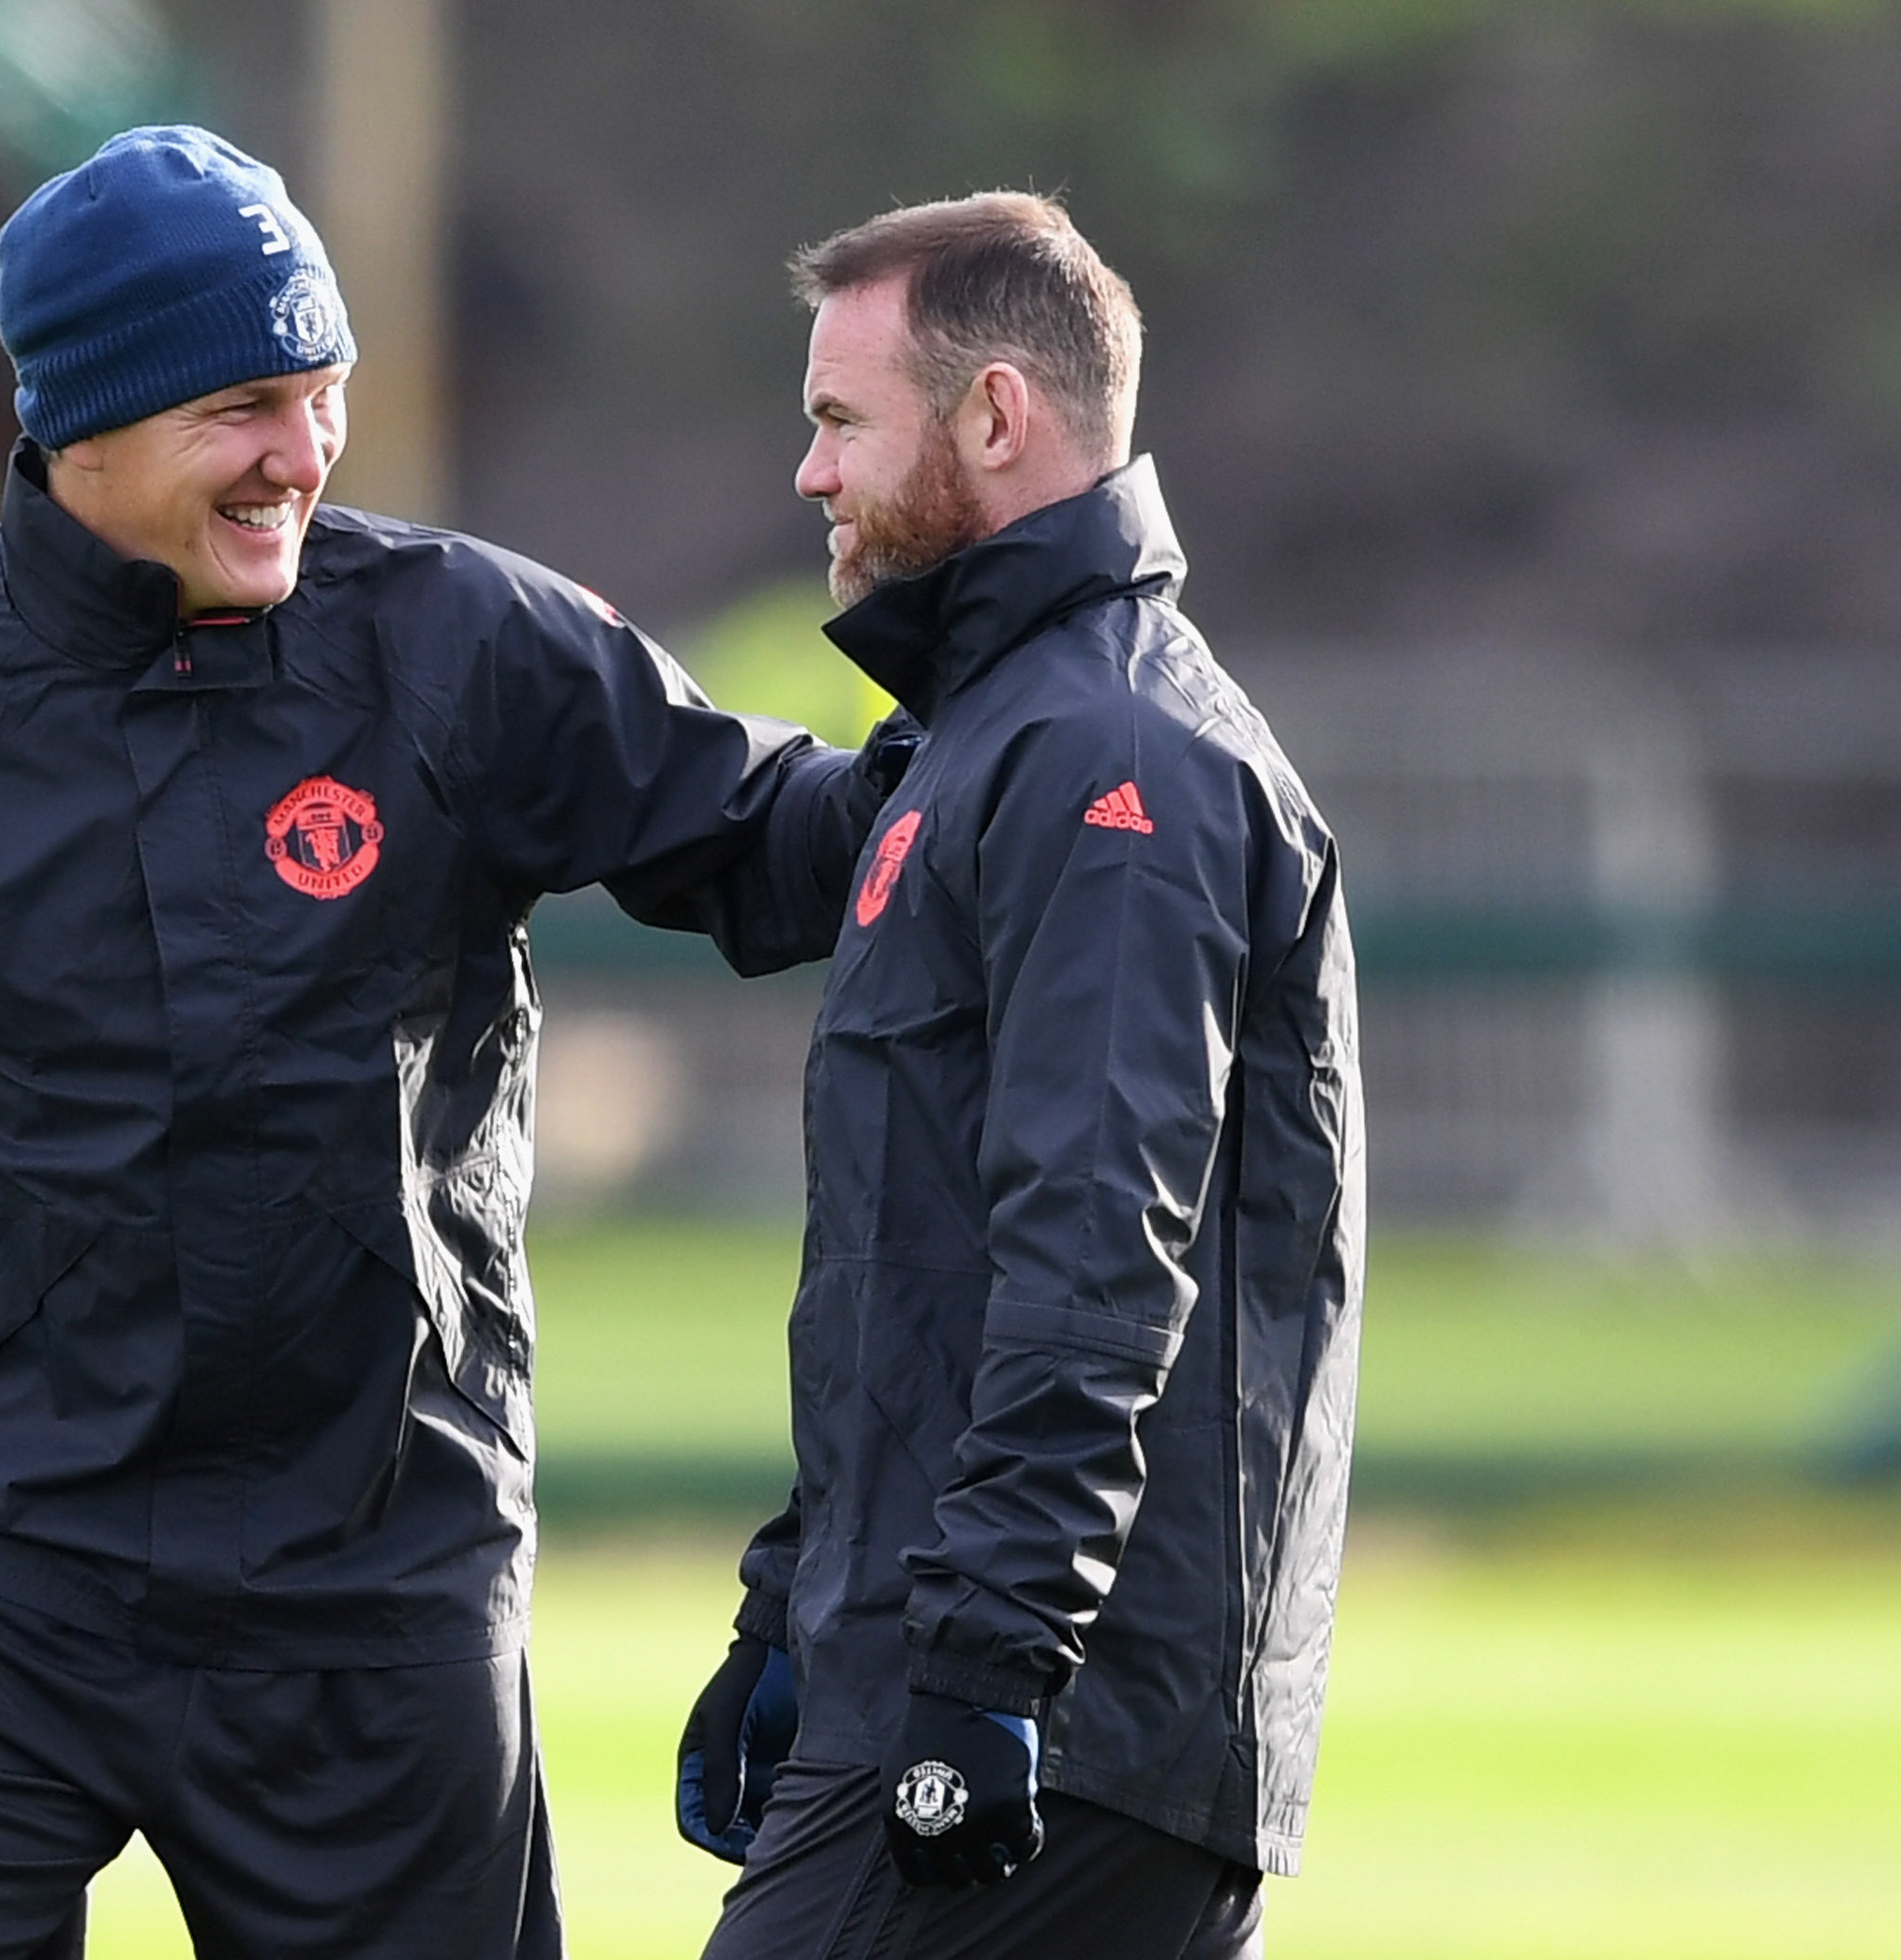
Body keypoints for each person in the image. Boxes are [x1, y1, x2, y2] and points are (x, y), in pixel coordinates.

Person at [0, 125, 899, 1960]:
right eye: (244, 403)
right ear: (84, 418)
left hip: (371, 1584)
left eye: (323, 395)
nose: (301, 454)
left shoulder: (459, 642)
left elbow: (784, 841)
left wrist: (1004, 716)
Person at [672, 193, 1363, 1959]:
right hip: (942, 1668)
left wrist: (984, 1678)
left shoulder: (1114, 759)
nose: (810, 477)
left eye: (840, 421)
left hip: (1063, 1717)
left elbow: (1094, 1256)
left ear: (992, 416)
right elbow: (918, 1284)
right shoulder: (984, 745)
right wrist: (792, 1618)